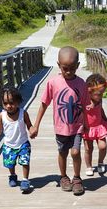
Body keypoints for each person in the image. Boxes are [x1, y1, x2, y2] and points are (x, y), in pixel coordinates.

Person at [30, 46, 88, 195]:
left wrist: (87, 124)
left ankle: (77, 178)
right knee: (62, 152)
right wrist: (36, 125)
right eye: (65, 68)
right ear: (58, 65)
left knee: (75, 152)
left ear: (78, 65)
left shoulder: (81, 84)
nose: (68, 72)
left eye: (72, 69)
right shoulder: (53, 83)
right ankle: (63, 177)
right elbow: (44, 104)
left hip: (77, 127)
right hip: (61, 128)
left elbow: (85, 105)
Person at [0, 88, 33, 192]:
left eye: (12, 103)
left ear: (18, 102)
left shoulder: (23, 113)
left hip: (23, 143)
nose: (9, 106)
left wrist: (32, 130)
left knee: (25, 161)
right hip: (8, 145)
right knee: (10, 163)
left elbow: (29, 125)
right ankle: (12, 175)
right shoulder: (2, 115)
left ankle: (25, 180)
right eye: (5, 103)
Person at [83, 73, 107, 176]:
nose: (100, 96)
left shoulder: (99, 100)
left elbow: (100, 110)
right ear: (89, 92)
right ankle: (89, 166)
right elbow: (81, 114)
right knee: (88, 149)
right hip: (88, 128)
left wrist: (105, 119)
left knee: (103, 146)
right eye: (99, 94)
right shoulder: (85, 101)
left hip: (99, 126)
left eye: (102, 94)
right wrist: (82, 125)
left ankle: (100, 162)